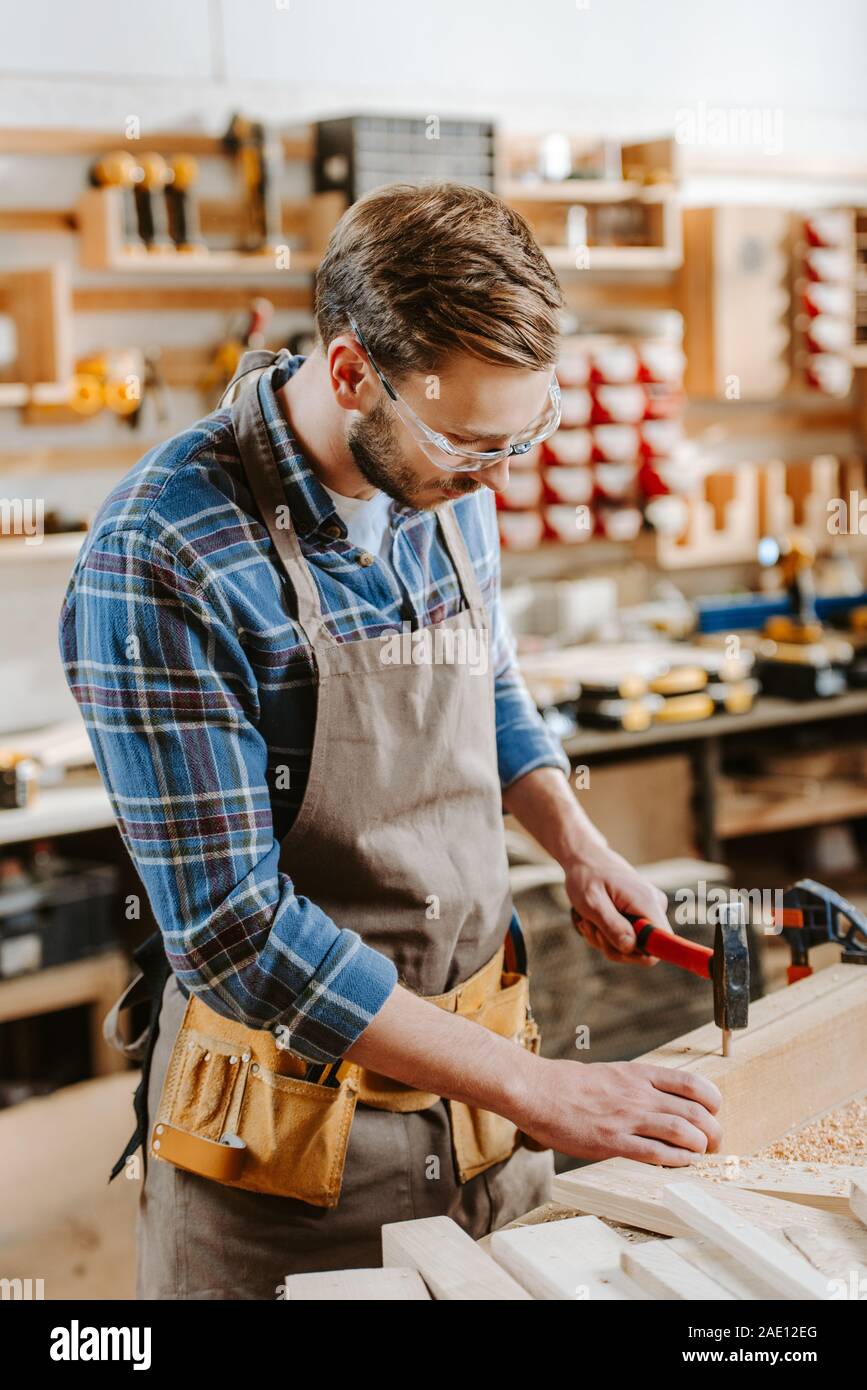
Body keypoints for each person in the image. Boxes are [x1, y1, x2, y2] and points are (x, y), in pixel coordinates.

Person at [60, 182, 720, 1299]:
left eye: (526, 435)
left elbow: (488, 678)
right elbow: (236, 934)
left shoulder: (452, 479)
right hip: (289, 1166)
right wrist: (540, 1086)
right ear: (352, 372)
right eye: (472, 441)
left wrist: (575, 840)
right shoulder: (164, 552)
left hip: (482, 1130)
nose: (498, 477)